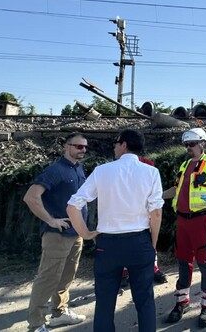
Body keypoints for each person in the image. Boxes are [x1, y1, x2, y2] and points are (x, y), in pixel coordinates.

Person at [67, 129, 164, 332]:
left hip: (108, 244)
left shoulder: (102, 170)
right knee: (144, 299)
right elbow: (156, 213)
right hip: (139, 241)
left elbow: (73, 205)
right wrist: (152, 243)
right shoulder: (151, 172)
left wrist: (85, 234)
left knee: (104, 301)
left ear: (124, 144)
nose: (114, 146)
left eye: (116, 142)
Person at [162, 128, 206, 328]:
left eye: (191, 144)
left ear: (202, 143)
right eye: (186, 145)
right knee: (183, 261)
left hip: (202, 221)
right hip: (183, 221)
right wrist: (155, 195)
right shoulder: (183, 165)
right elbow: (176, 189)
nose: (188, 148)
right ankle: (181, 302)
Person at [23, 133, 89, 332]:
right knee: (48, 278)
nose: (82, 150)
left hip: (75, 233)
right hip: (57, 235)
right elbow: (31, 197)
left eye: (85, 147)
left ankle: (59, 314)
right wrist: (51, 220)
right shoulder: (55, 170)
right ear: (66, 147)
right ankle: (36, 324)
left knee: (66, 276)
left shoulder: (78, 168)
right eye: (78, 146)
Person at [120, 155, 168, 287]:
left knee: (149, 241)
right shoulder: (119, 166)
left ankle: (153, 268)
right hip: (125, 212)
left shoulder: (148, 165)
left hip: (145, 211)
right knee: (124, 241)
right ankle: (124, 271)